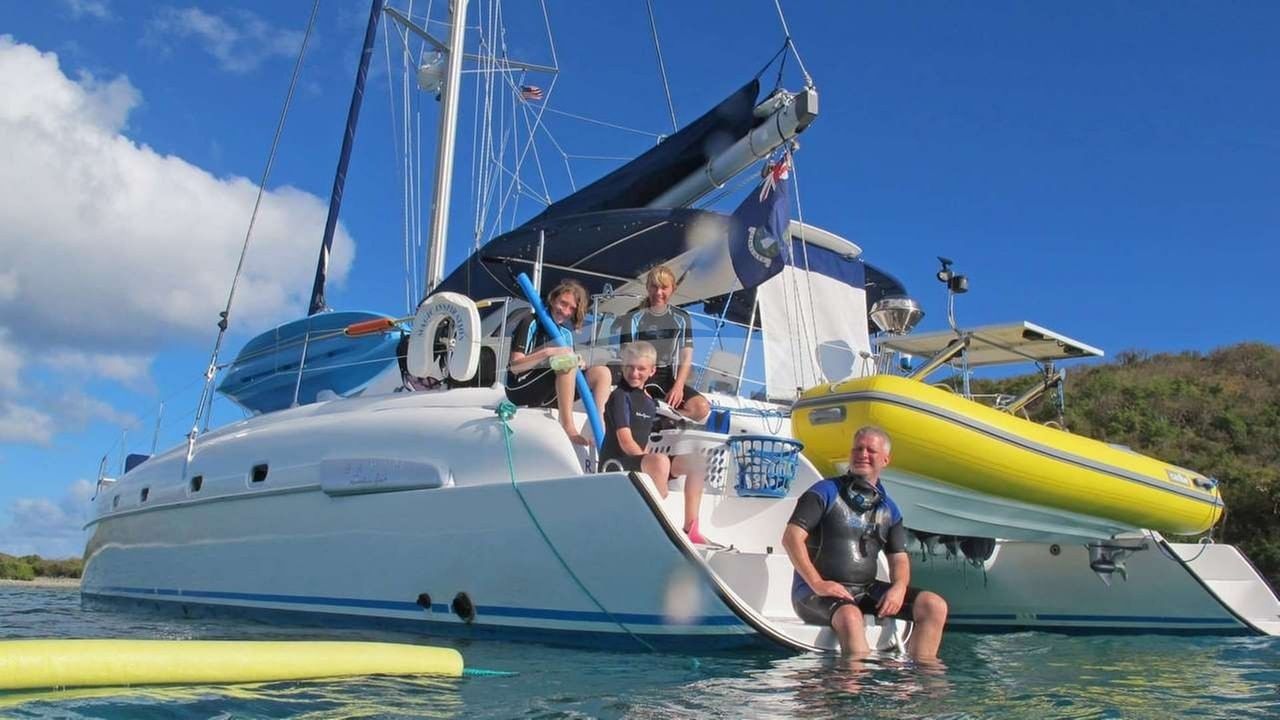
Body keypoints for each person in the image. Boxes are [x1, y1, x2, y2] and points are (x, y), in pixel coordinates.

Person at [781, 426, 948, 660]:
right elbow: (791, 537)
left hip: (864, 590)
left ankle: (922, 683)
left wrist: (899, 588)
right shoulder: (824, 491)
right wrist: (818, 583)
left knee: (934, 606)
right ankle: (853, 691)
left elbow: (898, 556)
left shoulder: (889, 508)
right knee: (850, 616)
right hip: (814, 593)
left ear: (885, 460)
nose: (863, 454)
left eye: (871, 450)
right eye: (858, 448)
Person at [601, 341, 715, 545]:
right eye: (629, 367)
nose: (634, 373)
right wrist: (654, 465)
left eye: (641, 368)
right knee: (660, 461)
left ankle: (691, 527)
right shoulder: (619, 396)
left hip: (637, 462)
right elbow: (626, 442)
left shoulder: (648, 401)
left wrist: (653, 463)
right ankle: (656, 526)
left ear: (652, 370)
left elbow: (643, 442)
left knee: (697, 462)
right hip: (615, 464)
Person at [507, 279, 612, 445]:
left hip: (550, 392)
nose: (565, 311)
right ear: (552, 299)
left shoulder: (566, 334)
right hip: (520, 388)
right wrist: (550, 352)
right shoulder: (530, 322)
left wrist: (580, 363)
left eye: (572, 308)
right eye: (563, 303)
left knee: (601, 372)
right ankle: (568, 427)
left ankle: (598, 426)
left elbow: (567, 366)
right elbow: (515, 366)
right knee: (566, 362)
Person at [615, 265, 711, 422]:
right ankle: (654, 415)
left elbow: (686, 356)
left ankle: (661, 420)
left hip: (665, 377)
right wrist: (639, 387)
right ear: (647, 287)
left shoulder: (681, 318)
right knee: (640, 401)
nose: (659, 292)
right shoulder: (633, 316)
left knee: (701, 408)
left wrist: (678, 386)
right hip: (636, 374)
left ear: (673, 289)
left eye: (664, 287)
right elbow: (626, 355)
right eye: (654, 286)